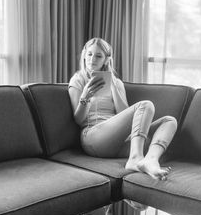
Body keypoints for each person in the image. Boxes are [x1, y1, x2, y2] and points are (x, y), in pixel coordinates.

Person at [68, 38, 177, 180]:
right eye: (89, 54)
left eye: (98, 56)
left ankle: (151, 160)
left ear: (107, 60)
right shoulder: (78, 80)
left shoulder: (117, 83)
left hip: (118, 141)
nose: (92, 59)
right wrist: (85, 96)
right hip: (93, 137)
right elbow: (78, 119)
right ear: (84, 55)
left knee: (169, 121)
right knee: (146, 105)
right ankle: (135, 158)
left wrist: (113, 85)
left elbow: (124, 114)